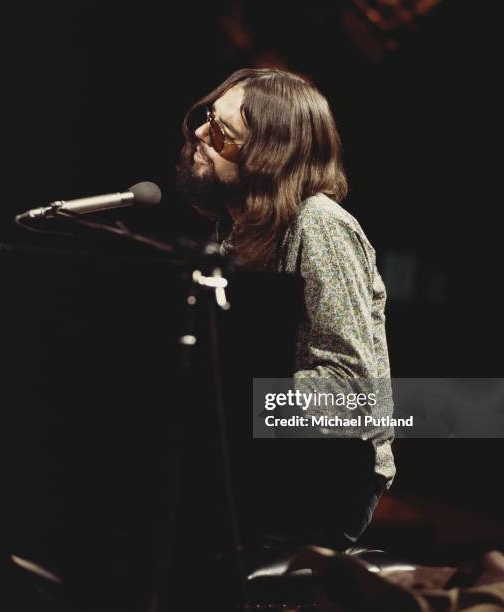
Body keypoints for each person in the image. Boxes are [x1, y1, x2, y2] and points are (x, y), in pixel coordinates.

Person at [175, 68, 395, 554]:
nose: (197, 136)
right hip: (261, 464)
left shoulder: (318, 225)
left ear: (267, 156)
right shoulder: (233, 233)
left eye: (220, 132)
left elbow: (354, 394)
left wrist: (234, 397)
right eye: (205, 119)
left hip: (321, 482)